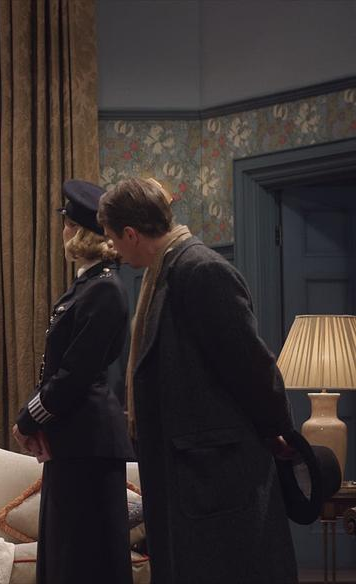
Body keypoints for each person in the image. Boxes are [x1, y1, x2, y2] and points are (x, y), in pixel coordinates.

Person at [98, 177, 297, 584]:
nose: (113, 249)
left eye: (113, 239)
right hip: (191, 469)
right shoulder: (165, 271)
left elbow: (251, 365)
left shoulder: (200, 270)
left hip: (216, 473)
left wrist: (279, 429)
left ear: (131, 234)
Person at [11, 180, 134, 584]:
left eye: (66, 223)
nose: (62, 231)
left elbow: (75, 374)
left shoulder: (104, 289)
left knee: (86, 558)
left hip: (90, 442)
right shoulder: (87, 286)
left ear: (79, 232)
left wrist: (28, 419)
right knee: (66, 553)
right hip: (74, 438)